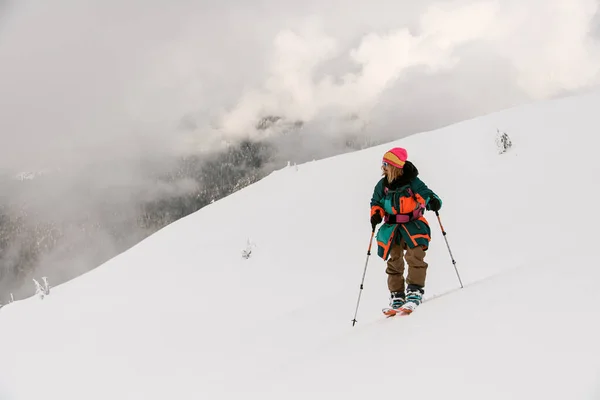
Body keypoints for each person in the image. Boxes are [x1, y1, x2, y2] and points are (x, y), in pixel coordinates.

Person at [369, 147, 442, 313]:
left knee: (415, 255)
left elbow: (426, 194)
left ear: (395, 166)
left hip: (413, 225)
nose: (383, 167)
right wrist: (376, 214)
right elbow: (376, 202)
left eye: (386, 164)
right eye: (383, 164)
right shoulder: (383, 185)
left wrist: (432, 201)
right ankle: (397, 295)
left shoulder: (412, 182)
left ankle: (415, 290)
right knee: (394, 260)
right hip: (392, 227)